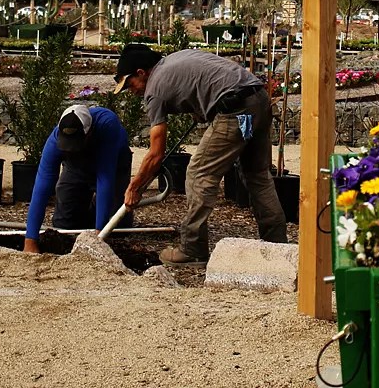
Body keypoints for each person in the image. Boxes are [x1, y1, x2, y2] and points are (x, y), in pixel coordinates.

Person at [115, 43, 286, 264]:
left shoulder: (154, 89)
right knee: (257, 175)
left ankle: (192, 249)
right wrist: (203, 109)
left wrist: (135, 187)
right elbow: (206, 81)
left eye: (130, 85)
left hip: (235, 110)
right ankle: (277, 244)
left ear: (141, 72)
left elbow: (156, 153)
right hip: (258, 99)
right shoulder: (175, 59)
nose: (132, 91)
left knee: (198, 175)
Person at [22, 104, 132, 254]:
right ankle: (87, 214)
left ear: (89, 133)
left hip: (114, 166)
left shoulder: (107, 124)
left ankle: (96, 215)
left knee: (117, 228)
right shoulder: (54, 141)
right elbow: (42, 186)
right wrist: (30, 240)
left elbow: (105, 179)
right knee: (64, 225)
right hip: (76, 168)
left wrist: (99, 237)